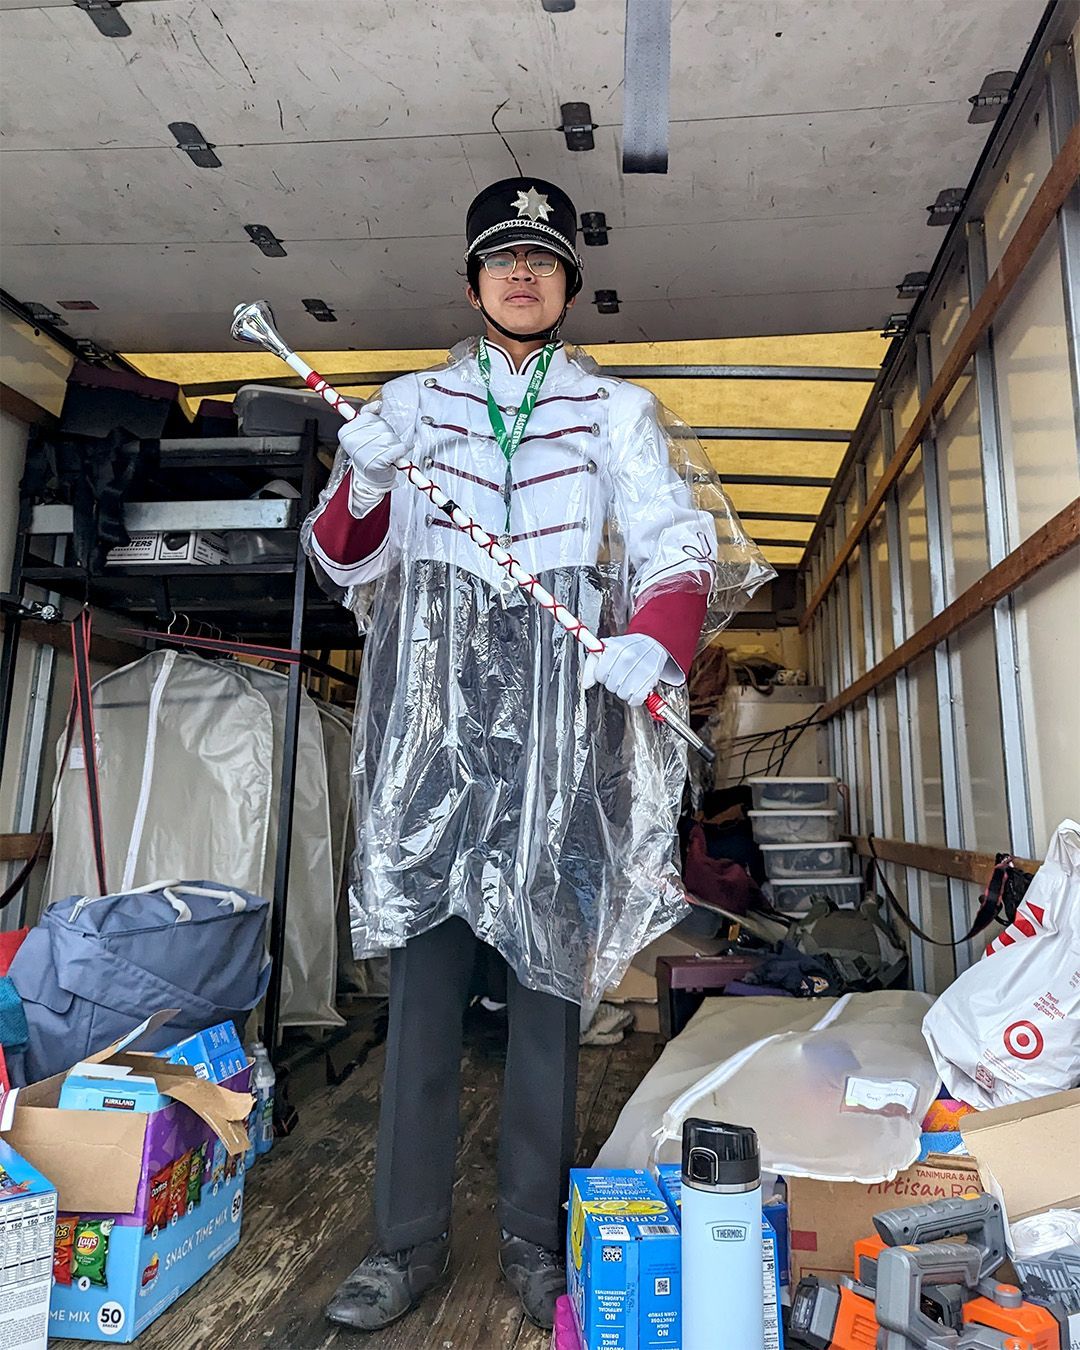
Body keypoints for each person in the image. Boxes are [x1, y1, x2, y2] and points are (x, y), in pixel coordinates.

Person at [302, 177, 768, 1332]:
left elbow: (675, 544)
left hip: (565, 702)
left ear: (568, 286)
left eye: (544, 260)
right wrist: (363, 479)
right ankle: (402, 1247)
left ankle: (534, 1237)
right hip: (432, 705)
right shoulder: (408, 404)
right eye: (503, 257)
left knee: (549, 980)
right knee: (424, 976)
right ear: (471, 282)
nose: (523, 274)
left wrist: (650, 648)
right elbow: (344, 563)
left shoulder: (617, 412)